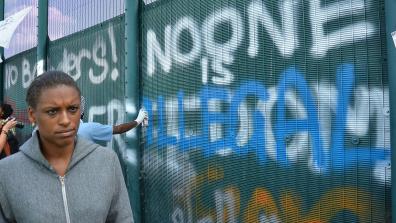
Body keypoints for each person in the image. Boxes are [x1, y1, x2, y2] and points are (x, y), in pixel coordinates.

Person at [0, 71, 134, 222]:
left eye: (72, 109)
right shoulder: (6, 173)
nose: (65, 120)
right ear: (32, 115)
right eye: (52, 111)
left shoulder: (107, 161)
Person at [78, 96, 148, 143]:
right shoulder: (87, 128)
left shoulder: (68, 130)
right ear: (82, 113)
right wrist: (138, 120)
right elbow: (119, 129)